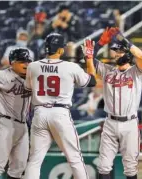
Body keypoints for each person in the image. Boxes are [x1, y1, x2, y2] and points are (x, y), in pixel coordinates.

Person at [23, 33, 96, 179]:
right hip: (60, 112)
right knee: (74, 158)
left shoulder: (33, 66)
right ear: (61, 50)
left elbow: (28, 88)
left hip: (39, 113)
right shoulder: (71, 67)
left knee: (34, 161)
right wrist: (89, 59)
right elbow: (92, 81)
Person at [93, 27, 142, 179]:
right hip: (110, 121)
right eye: (115, 51)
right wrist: (100, 43)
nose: (116, 54)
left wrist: (124, 41)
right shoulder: (108, 70)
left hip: (129, 123)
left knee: (130, 168)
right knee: (103, 166)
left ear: (128, 54)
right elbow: (88, 59)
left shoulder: (135, 72)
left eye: (119, 51)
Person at [0, 48, 33, 179]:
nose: (26, 64)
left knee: (18, 168)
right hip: (5, 122)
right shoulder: (3, 75)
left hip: (23, 126)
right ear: (12, 62)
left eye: (28, 61)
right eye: (22, 61)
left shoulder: (31, 78)